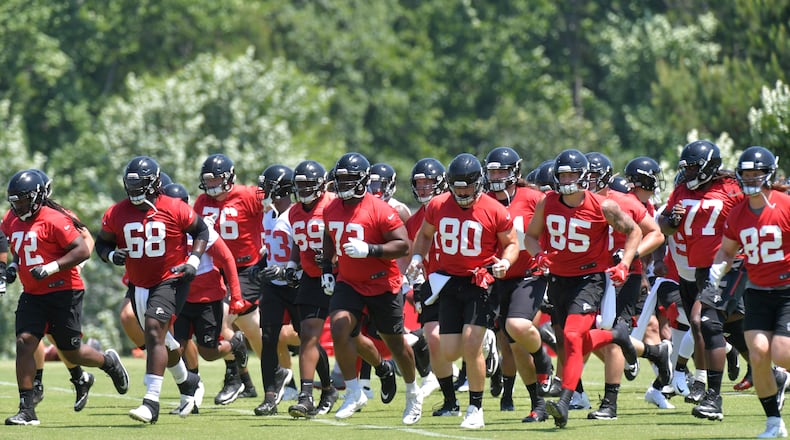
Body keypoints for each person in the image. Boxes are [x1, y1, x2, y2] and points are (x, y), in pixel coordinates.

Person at [523, 149, 642, 429]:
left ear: (584, 176)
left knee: (574, 336)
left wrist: (625, 262)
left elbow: (635, 231)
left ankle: (564, 401)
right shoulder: (547, 201)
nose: (566, 179)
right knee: (566, 341)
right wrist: (538, 255)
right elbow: (530, 237)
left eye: (572, 174)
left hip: (589, 279)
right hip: (558, 280)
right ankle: (616, 334)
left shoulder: (603, 206)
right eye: (562, 174)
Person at [3, 169, 130, 426]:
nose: (19, 206)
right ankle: (27, 409)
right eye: (15, 201)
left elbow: (83, 248)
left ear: (38, 197)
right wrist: (11, 268)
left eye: (24, 200)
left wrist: (51, 268)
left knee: (71, 351)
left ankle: (108, 362)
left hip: (64, 290)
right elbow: (18, 248)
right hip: (33, 294)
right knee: (24, 342)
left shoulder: (55, 218)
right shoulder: (12, 219)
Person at [407, 152, 519, 429]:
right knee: (449, 351)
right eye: (457, 186)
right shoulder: (437, 205)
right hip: (447, 281)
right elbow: (424, 235)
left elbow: (512, 243)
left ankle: (475, 408)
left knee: (470, 345)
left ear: (478, 183)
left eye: (467, 185)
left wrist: (505, 262)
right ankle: (487, 344)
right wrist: (418, 258)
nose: (462, 191)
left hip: (479, 281)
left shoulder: (493, 209)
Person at [96, 156, 207, 423]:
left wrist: (193, 261)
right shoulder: (116, 212)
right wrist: (112, 256)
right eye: (131, 185)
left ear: (155, 183)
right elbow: (101, 244)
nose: (135, 191)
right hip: (138, 283)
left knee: (155, 330)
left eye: (140, 185)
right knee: (163, 340)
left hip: (171, 278)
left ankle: (151, 402)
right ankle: (188, 383)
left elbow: (201, 231)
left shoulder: (173, 207)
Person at [323, 152, 423, 425]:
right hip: (349, 281)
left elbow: (402, 245)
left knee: (395, 343)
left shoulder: (380, 209)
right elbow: (329, 237)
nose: (342, 184)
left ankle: (413, 393)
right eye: (339, 179)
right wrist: (326, 270)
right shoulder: (332, 208)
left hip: (382, 281)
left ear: (362, 180)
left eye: (348, 179)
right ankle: (354, 392)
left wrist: (370, 249)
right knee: (340, 326)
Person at [658, 140, 746, 421]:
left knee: (703, 321)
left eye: (694, 167)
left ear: (709, 166)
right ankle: (770, 373)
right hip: (697, 268)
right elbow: (665, 225)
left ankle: (711, 395)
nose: (689, 172)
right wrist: (672, 218)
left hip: (727, 265)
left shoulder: (733, 188)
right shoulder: (682, 188)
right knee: (735, 327)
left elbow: (754, 216)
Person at [707, 146, 790, 437]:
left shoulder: (784, 204)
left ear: (768, 175)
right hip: (757, 291)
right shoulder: (739, 211)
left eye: (757, 174)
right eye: (746, 174)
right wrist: (717, 271)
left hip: (787, 290)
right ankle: (773, 421)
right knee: (758, 354)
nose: (751, 179)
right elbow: (727, 251)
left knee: (782, 353)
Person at [583, 152, 669, 420]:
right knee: (584, 334)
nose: (587, 181)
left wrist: (629, 256)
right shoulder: (573, 203)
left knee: (614, 335)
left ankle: (609, 403)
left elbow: (656, 233)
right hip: (588, 276)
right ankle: (654, 352)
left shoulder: (624, 202)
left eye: (593, 176)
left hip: (624, 276)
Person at [483, 147, 554, 421]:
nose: (497, 176)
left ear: (515, 172)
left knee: (517, 326)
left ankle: (544, 359)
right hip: (498, 280)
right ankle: (538, 404)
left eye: (502, 170)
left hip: (530, 274)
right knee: (513, 345)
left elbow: (555, 228)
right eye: (492, 171)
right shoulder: (484, 201)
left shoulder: (534, 199)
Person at [164, 183, 244, 416]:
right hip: (180, 297)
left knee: (208, 351)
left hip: (207, 298)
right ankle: (191, 391)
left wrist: (236, 295)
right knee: (176, 347)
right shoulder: (161, 228)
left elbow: (227, 259)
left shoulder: (201, 228)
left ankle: (235, 343)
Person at [193, 153, 263, 405]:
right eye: (208, 181)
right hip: (217, 269)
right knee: (251, 331)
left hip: (246, 269)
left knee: (225, 323)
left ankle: (237, 378)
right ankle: (246, 381)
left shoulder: (250, 195)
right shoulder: (201, 202)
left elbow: (281, 202)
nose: (212, 186)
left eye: (217, 180)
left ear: (230, 177)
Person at [284, 160, 339, 418]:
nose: (304, 189)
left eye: (309, 184)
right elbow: (298, 240)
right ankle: (307, 396)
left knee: (351, 337)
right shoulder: (295, 211)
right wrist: (293, 264)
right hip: (311, 277)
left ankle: (382, 368)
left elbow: (346, 236)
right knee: (307, 334)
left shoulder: (333, 205)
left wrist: (334, 260)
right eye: (300, 184)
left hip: (341, 276)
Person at [404, 158, 459, 415]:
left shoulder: (457, 208)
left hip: (462, 280)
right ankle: (450, 400)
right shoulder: (415, 221)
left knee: (467, 340)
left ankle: (485, 345)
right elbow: (409, 260)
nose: (424, 187)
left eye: (429, 182)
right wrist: (415, 286)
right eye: (419, 183)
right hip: (432, 283)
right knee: (434, 339)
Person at [247, 164, 301, 416]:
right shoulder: (268, 215)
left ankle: (325, 388)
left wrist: (288, 270)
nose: (263, 190)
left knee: (307, 338)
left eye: (268, 185)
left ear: (282, 188)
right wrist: (260, 266)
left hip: (297, 283)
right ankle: (270, 395)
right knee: (268, 339)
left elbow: (305, 249)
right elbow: (270, 250)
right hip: (273, 285)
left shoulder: (297, 214)